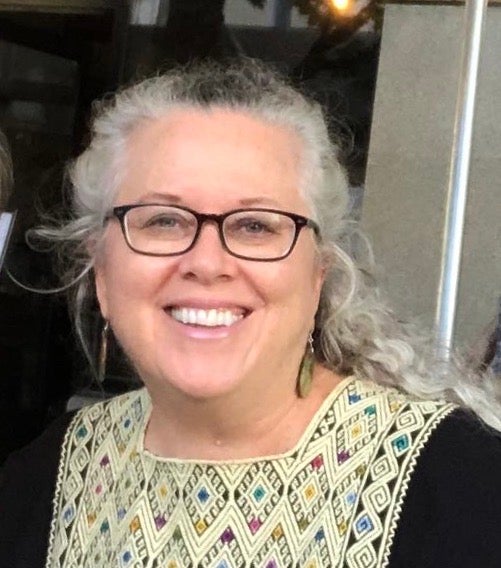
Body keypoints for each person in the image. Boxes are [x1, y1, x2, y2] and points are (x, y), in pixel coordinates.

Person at [1, 59, 501, 568]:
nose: (206, 262)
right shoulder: (46, 479)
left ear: (316, 277)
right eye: (164, 221)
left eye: (256, 226)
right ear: (101, 272)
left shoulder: (466, 488)